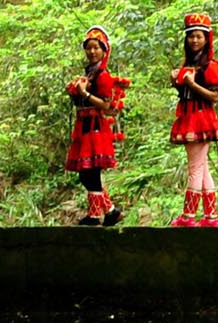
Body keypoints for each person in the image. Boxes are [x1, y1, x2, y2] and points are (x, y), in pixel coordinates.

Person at [168, 13, 218, 227]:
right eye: (191, 36)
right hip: (190, 114)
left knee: (195, 167)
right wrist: (176, 82)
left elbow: (215, 97)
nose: (194, 40)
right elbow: (186, 89)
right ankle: (211, 216)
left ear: (206, 38)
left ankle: (188, 216)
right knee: (202, 167)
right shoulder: (189, 63)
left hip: (200, 117)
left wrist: (191, 84)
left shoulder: (210, 65)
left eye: (198, 36)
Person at [65, 26, 131, 226]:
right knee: (88, 173)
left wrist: (84, 93)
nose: (92, 52)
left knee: (89, 173)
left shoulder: (102, 75)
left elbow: (106, 104)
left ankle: (99, 215)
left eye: (96, 48)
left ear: (104, 51)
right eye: (89, 48)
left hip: (94, 127)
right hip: (85, 126)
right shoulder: (90, 73)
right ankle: (107, 212)